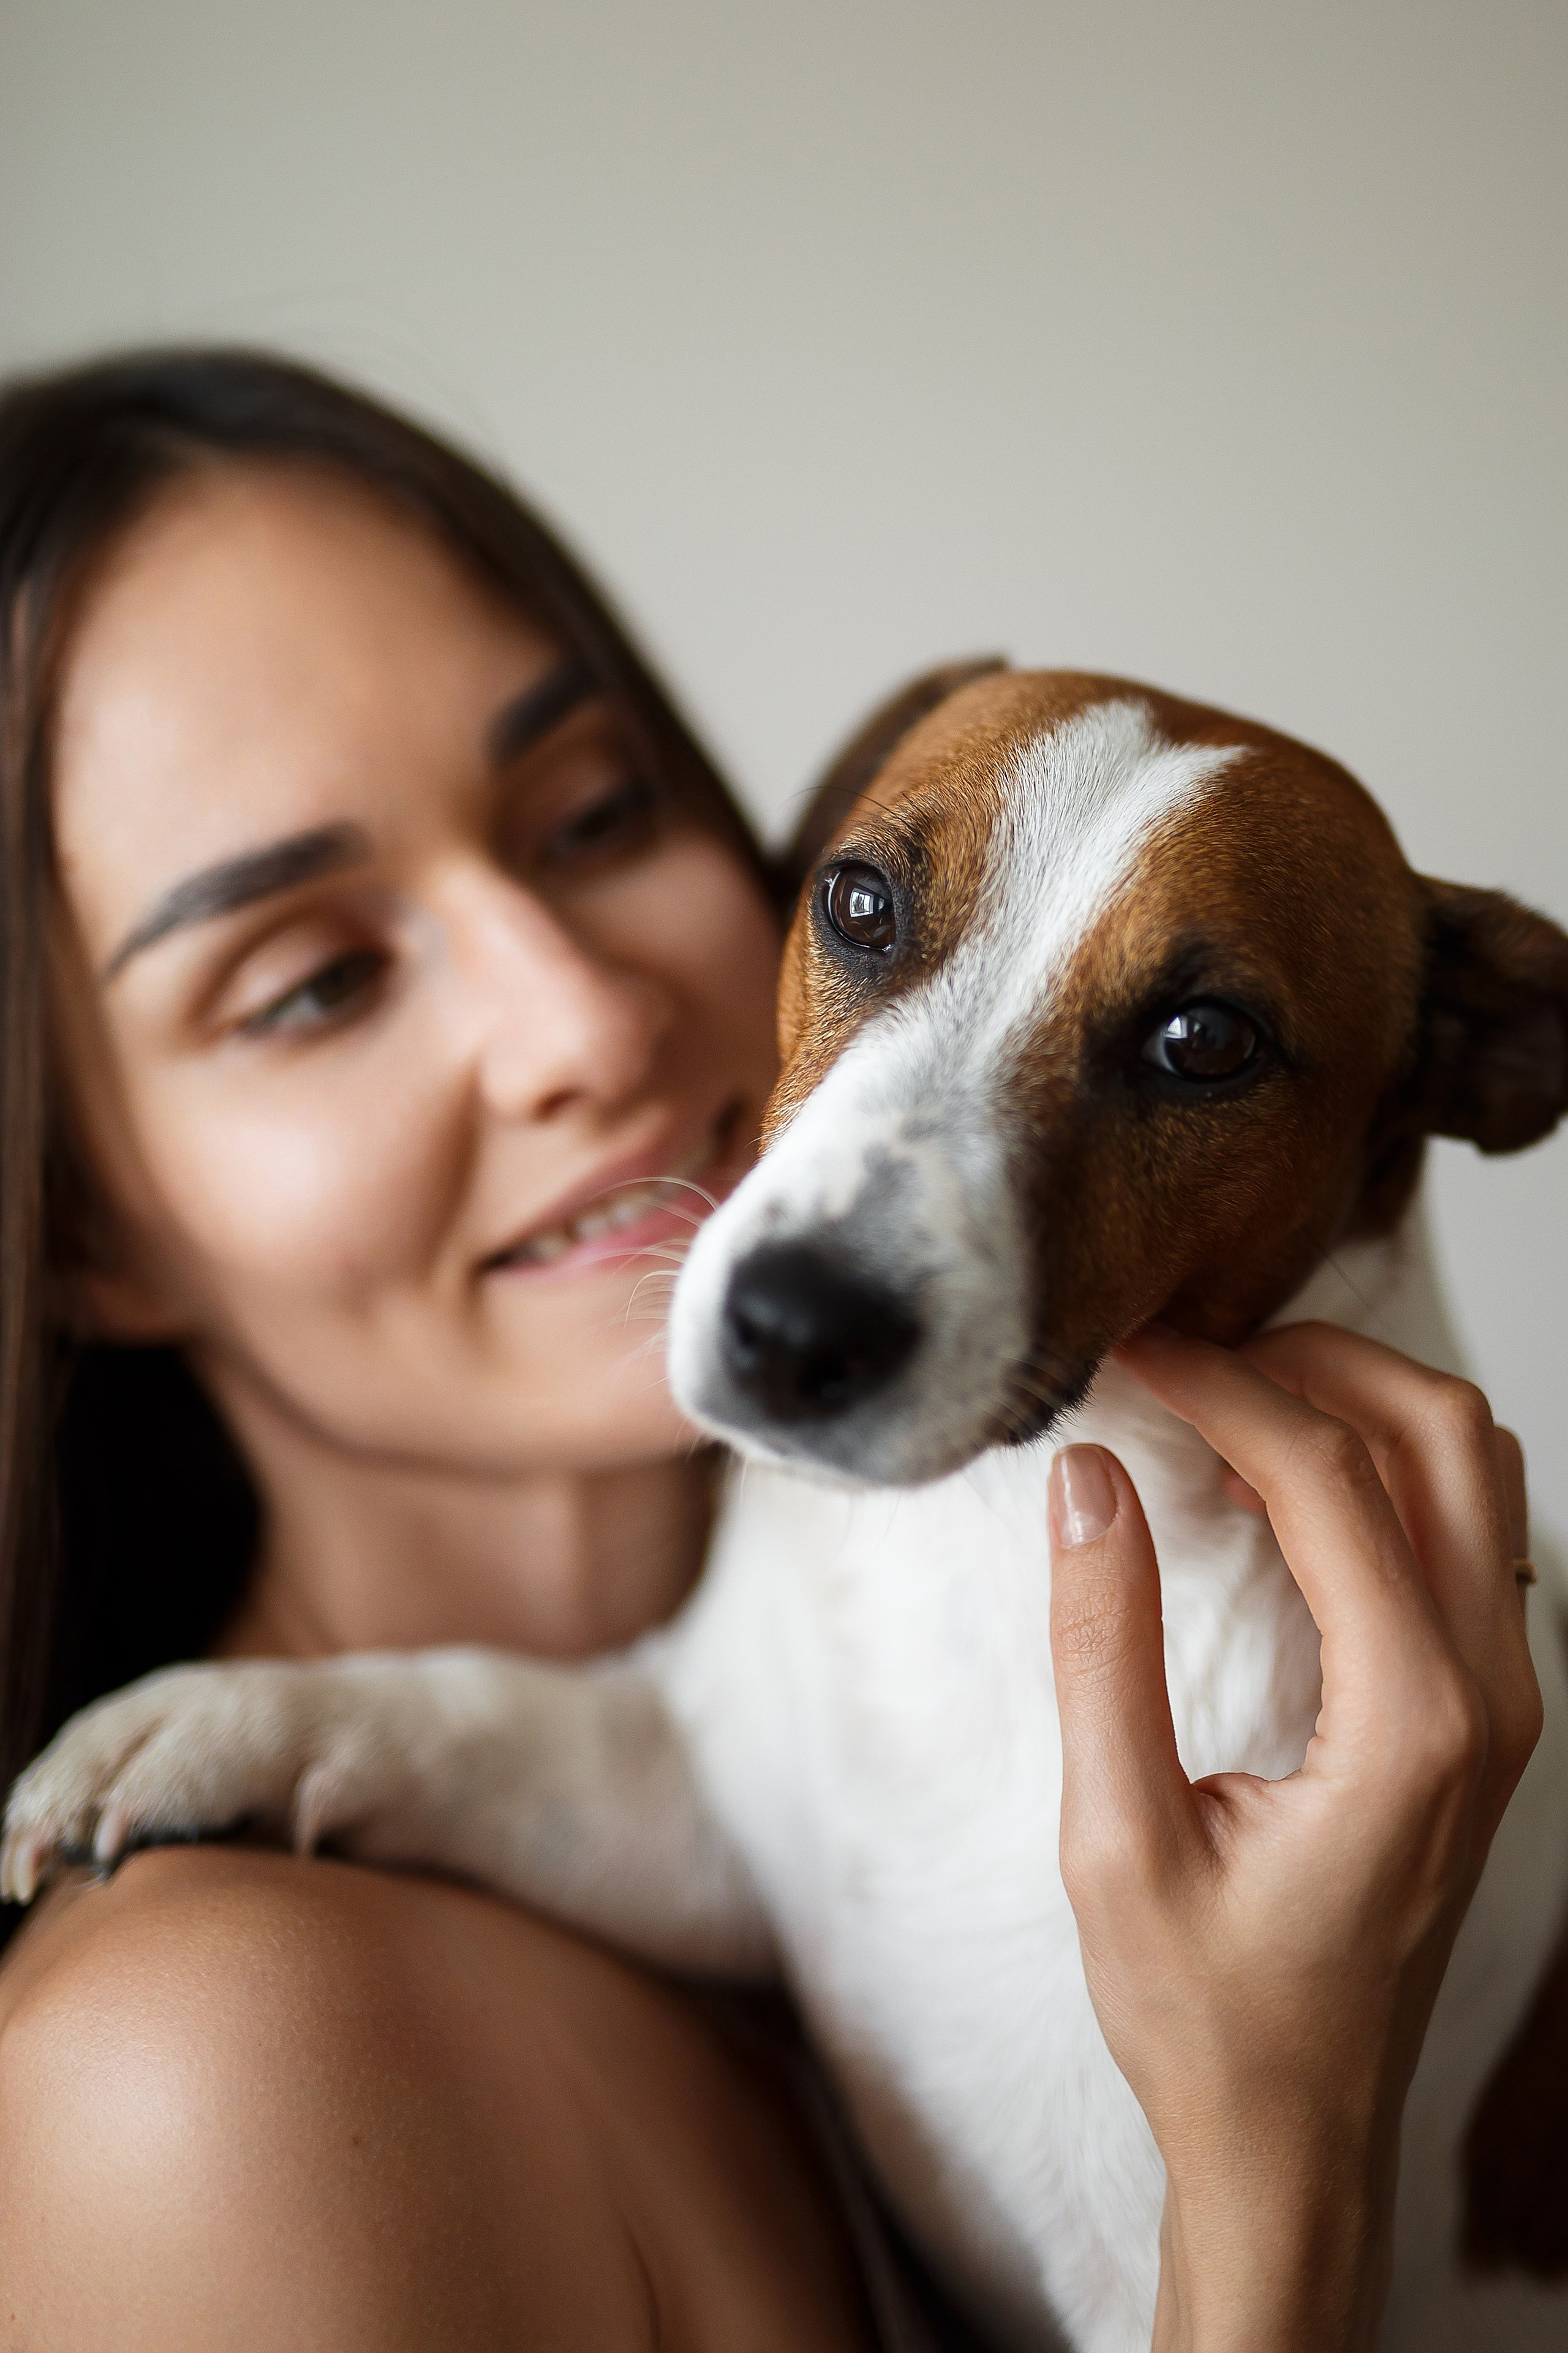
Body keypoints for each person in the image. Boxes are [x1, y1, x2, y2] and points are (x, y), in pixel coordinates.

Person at [0, 349, 1542, 2352]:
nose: (585, 1024)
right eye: (313, 980)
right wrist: (1278, 2171)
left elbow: (727, 1797)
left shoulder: (1358, 1774)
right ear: (75, 1225)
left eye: (592, 812)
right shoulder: (203, 2075)